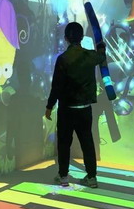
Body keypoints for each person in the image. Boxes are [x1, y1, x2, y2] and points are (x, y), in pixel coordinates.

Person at [45, 22, 107, 188]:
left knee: (64, 143)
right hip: (84, 109)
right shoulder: (90, 56)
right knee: (87, 142)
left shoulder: (62, 59)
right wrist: (101, 46)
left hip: (66, 109)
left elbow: (56, 86)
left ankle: (63, 176)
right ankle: (91, 177)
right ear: (82, 37)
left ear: (66, 38)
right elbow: (101, 56)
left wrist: (49, 106)